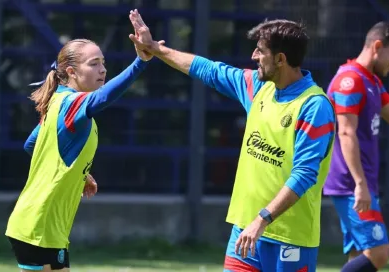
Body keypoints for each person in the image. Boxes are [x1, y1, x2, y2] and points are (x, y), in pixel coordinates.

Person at [128, 9, 336, 272]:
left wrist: (263, 219)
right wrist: (155, 49)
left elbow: (305, 174)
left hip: (289, 239)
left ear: (281, 58)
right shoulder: (259, 87)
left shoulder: (314, 106)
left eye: (260, 51)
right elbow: (209, 70)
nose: (254, 57)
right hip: (245, 231)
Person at [5, 37, 164, 272]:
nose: (103, 70)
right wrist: (140, 62)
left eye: (103, 63)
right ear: (71, 72)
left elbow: (31, 144)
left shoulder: (58, 102)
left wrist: (79, 171)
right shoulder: (71, 104)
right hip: (37, 225)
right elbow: (104, 97)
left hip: (48, 226)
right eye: (94, 64)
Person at [324, 21, 389, 272]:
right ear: (377, 46)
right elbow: (346, 133)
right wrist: (360, 184)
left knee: (358, 255)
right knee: (379, 253)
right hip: (351, 184)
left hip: (362, 184)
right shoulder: (350, 80)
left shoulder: (370, 80)